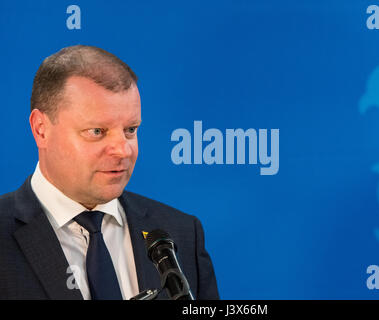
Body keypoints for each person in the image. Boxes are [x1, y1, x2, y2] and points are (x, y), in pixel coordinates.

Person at [0, 45, 219, 300]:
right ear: (41, 129)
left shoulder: (181, 232)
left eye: (130, 130)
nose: (122, 151)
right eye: (97, 132)